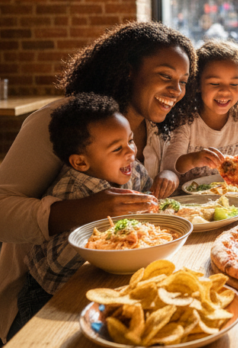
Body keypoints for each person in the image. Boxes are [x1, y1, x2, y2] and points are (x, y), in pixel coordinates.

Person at [0, 21, 196, 342]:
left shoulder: (151, 130)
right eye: (165, 76)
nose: (177, 90)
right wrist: (84, 210)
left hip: (119, 285)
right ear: (127, 72)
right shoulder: (61, 123)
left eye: (183, 81)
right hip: (43, 302)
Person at [19, 94, 153, 324]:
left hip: (103, 282)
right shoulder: (71, 191)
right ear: (81, 162)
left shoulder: (132, 169)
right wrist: (102, 230)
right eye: (117, 148)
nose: (131, 152)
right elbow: (57, 265)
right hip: (50, 300)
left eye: (130, 141)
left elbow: (147, 193)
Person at [161, 40, 238, 186]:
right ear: (197, 84)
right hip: (192, 202)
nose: (225, 90)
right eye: (215, 83)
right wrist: (194, 159)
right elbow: (169, 164)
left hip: (236, 200)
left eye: (233, 84)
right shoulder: (186, 122)